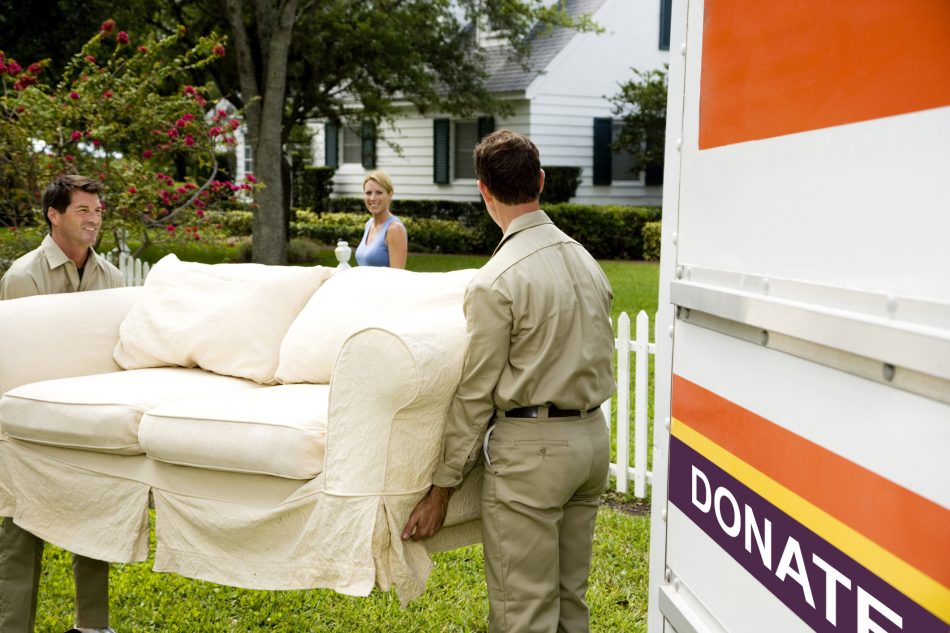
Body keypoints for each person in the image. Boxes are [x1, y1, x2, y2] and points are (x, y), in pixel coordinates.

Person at [401, 130, 614, 633]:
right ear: (540, 180)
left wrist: (442, 487)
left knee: (524, 614)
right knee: (570, 604)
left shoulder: (496, 280)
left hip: (533, 455)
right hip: (592, 444)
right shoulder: (586, 260)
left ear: (483, 191)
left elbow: (475, 395)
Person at [0, 174, 124, 633]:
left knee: (93, 524)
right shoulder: (22, 278)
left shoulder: (110, 276)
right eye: (83, 211)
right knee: (19, 533)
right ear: (54, 215)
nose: (94, 220)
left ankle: (92, 625)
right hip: (28, 427)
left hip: (89, 421)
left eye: (97, 211)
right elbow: (13, 359)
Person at [354, 170, 408, 268]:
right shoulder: (369, 224)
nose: (372, 198)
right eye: (368, 193)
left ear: (389, 195)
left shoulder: (394, 229)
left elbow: (398, 277)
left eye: (379, 192)